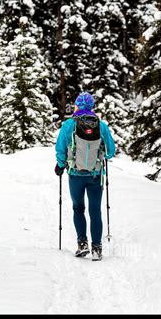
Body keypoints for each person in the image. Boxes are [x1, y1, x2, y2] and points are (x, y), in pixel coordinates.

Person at [54, 92, 116, 260]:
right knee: (95, 211)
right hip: (95, 175)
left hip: (75, 174)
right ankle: (97, 248)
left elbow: (60, 148)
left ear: (77, 106)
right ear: (91, 107)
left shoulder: (68, 125)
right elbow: (111, 152)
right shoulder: (101, 126)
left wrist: (60, 165)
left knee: (78, 208)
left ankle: (82, 244)